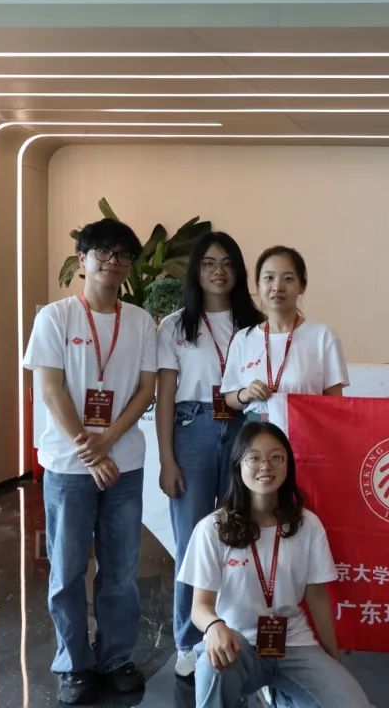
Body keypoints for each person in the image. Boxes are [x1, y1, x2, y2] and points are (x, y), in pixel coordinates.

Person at [23, 218, 157, 704]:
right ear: (82, 259)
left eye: (123, 255)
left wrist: (108, 441)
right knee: (67, 569)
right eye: (103, 252)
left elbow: (146, 389)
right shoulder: (55, 318)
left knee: (120, 569)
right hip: (67, 465)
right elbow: (50, 388)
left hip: (124, 464)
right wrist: (87, 448)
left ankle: (116, 657)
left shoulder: (140, 321)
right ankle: (74, 664)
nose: (113, 262)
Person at [177, 421, 372, 708]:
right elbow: (199, 608)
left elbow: (317, 597)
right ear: (238, 465)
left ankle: (279, 693)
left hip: (294, 645)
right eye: (254, 458)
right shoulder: (213, 529)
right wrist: (214, 626)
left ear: (288, 464)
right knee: (212, 661)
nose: (265, 466)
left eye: (276, 457)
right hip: (237, 644)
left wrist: (333, 660)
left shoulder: (307, 525)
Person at [157, 231, 264, 677]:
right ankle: (189, 640)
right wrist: (167, 459)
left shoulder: (255, 325)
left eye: (227, 263)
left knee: (244, 533)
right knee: (193, 540)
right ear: (196, 271)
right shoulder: (175, 326)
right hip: (193, 428)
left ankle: (240, 633)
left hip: (245, 429)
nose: (218, 271)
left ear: (238, 270)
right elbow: (165, 395)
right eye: (208, 263)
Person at [221, 246, 348, 433]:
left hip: (307, 436)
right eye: (269, 278)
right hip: (257, 439)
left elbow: (336, 404)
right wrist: (246, 394)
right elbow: (229, 398)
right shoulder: (243, 339)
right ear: (258, 285)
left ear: (302, 286)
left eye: (288, 278)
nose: (277, 287)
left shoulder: (322, 337)